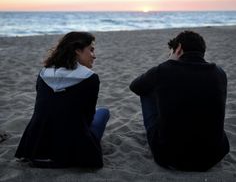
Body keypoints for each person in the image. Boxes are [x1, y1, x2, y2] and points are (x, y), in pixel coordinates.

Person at [129, 30, 230, 171]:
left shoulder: (163, 70)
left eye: (171, 52)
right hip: (213, 157)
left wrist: (169, 62)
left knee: (147, 90)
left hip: (170, 158)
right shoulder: (219, 73)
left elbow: (135, 86)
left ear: (178, 49)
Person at [15, 31, 110, 168]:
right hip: (72, 154)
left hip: (35, 150)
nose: (94, 56)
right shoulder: (90, 78)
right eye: (91, 50)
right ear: (78, 50)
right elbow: (88, 117)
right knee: (103, 112)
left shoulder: (44, 73)